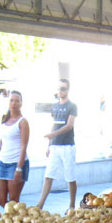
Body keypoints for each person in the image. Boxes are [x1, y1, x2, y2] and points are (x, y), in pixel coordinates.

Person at [37, 79, 77, 212]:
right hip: (55, 146)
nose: (61, 91)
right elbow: (54, 124)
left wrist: (52, 135)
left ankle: (71, 205)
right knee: (48, 176)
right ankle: (40, 205)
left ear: (68, 90)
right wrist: (49, 143)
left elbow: (69, 125)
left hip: (67, 145)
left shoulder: (72, 106)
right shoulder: (54, 106)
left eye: (64, 89)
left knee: (70, 177)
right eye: (59, 88)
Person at [0, 90, 30, 208]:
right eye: (11, 100)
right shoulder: (5, 120)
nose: (14, 103)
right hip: (3, 162)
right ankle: (15, 219)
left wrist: (19, 168)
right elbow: (1, 143)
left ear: (21, 103)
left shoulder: (23, 122)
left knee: (13, 200)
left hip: (16, 163)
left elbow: (23, 147)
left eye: (17, 101)